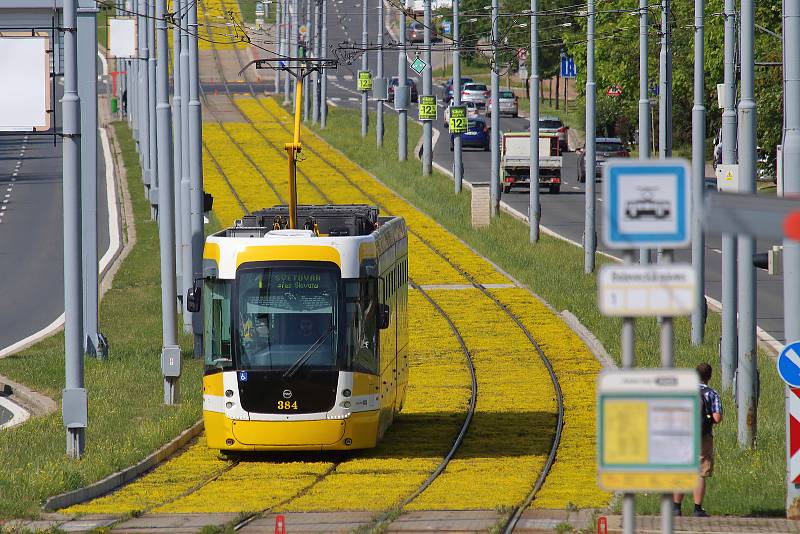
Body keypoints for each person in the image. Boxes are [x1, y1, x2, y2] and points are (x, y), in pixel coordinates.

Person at [674, 362, 722, 517]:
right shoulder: (712, 393)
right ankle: (697, 509)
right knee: (700, 472)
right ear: (709, 376)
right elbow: (717, 417)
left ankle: (676, 508)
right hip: (703, 436)